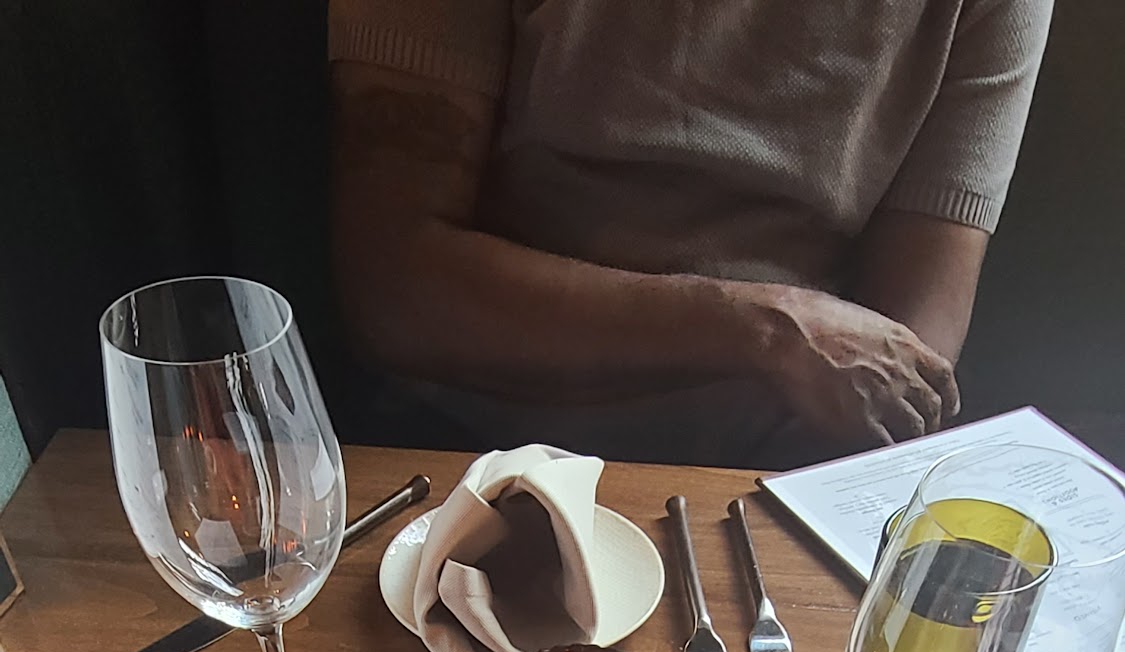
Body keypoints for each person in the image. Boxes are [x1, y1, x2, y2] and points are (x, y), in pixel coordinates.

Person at [327, 0, 1054, 465]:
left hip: (782, 475)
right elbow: (394, 286)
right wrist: (761, 330)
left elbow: (909, 362)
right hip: (475, 451)